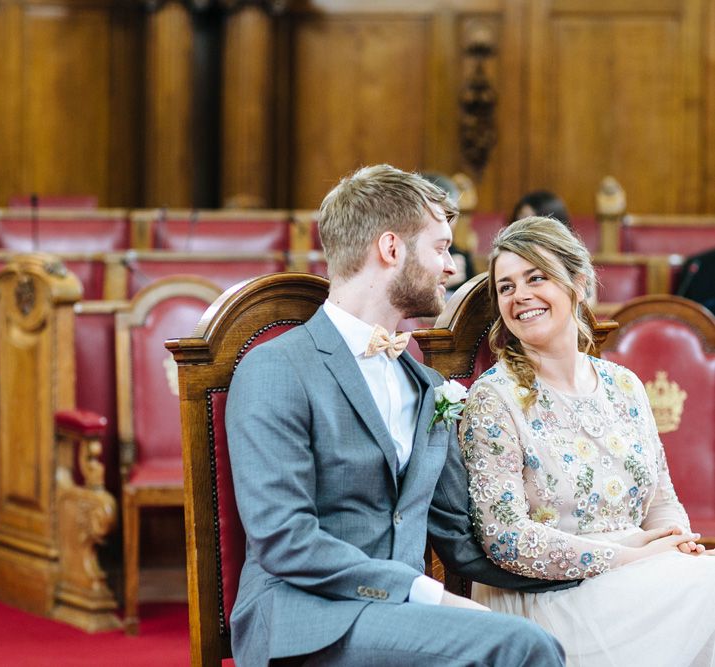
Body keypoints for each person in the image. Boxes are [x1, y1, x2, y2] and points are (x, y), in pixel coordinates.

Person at [226, 165, 572, 666]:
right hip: (302, 621)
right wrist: (426, 594)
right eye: (440, 248)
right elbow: (286, 540)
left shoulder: (428, 386)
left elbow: (465, 542)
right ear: (391, 249)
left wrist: (600, 563)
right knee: (520, 645)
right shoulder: (277, 369)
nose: (452, 267)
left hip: (402, 623)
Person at [460, 215, 715, 666]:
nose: (520, 296)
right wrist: (629, 557)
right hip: (549, 597)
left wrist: (678, 540)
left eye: (536, 277)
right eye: (506, 286)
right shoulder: (493, 398)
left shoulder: (625, 385)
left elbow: (662, 500)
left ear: (578, 283)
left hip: (643, 580)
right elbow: (505, 538)